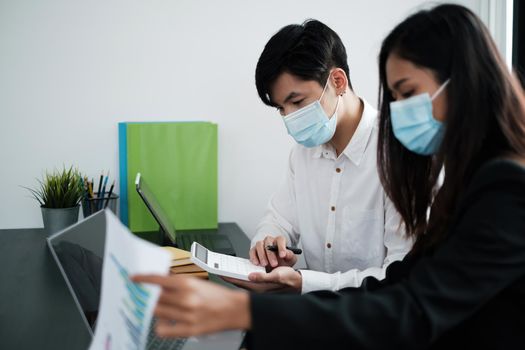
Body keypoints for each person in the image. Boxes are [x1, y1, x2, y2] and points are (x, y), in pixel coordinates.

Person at [133, 4, 525, 348]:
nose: (400, 112)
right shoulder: (471, 178)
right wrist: (271, 260)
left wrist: (251, 309)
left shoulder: (501, 186)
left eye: (408, 94)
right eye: (395, 98)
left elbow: (411, 307)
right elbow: (402, 282)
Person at [233, 19, 410, 294]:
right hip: (318, 317)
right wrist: (269, 244)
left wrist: (304, 282)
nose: (290, 118)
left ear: (338, 81)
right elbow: (277, 219)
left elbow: (400, 273)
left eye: (297, 102)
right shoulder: (303, 154)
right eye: (281, 108)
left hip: (377, 322)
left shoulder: (397, 155)